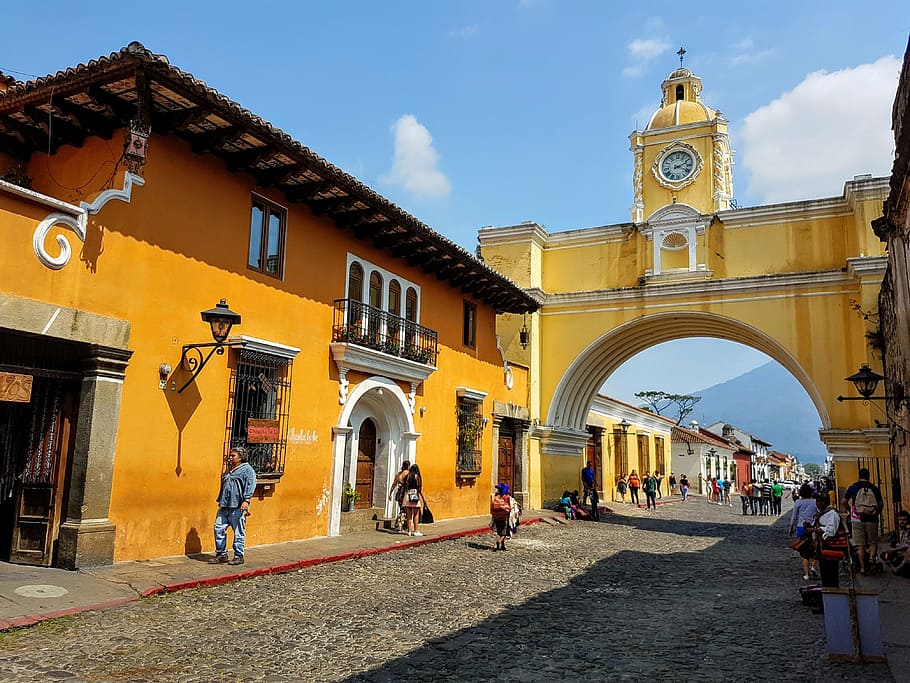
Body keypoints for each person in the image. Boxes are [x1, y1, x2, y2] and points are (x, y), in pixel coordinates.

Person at [209, 446, 257, 566]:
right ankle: (221, 554)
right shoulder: (229, 469)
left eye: (233, 456)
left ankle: (238, 556)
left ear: (240, 457)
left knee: (238, 532)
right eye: (230, 455)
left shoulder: (247, 470)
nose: (230, 458)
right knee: (218, 528)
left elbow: (250, 485)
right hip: (224, 505)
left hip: (238, 506)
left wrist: (246, 500)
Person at [843, 467, 885, 575]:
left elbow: (844, 501)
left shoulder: (853, 487)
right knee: (872, 542)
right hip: (872, 518)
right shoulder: (874, 488)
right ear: (868, 476)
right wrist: (876, 513)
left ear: (859, 476)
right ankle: (872, 560)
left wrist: (851, 511)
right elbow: (880, 504)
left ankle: (862, 568)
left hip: (857, 519)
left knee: (860, 545)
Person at [806, 493, 845, 588]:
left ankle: (833, 595)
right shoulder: (820, 514)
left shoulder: (832, 514)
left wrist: (815, 530)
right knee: (825, 573)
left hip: (831, 548)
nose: (819, 504)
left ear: (827, 502)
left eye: (821, 501)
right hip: (821, 548)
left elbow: (831, 532)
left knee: (831, 573)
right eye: (817, 501)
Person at [788, 483, 819, 580]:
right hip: (813, 528)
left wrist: (791, 528)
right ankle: (813, 566)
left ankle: (806, 574)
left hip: (801, 528)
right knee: (816, 549)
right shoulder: (815, 502)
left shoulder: (798, 502)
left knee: (804, 552)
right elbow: (819, 513)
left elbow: (794, 517)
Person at [881, 510, 910, 577]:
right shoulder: (899, 531)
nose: (902, 522)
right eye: (900, 520)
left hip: (907, 555)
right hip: (900, 553)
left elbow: (907, 546)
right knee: (885, 555)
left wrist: (895, 550)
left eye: (904, 520)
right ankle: (894, 565)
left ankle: (898, 568)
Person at [490, 483, 517, 551]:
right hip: (505, 517)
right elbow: (511, 506)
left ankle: (503, 546)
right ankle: (499, 541)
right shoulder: (507, 497)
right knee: (505, 533)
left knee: (500, 531)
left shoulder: (496, 496)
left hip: (497, 517)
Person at [387, 459, 411, 533]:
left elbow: (394, 484)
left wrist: (390, 493)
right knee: (405, 510)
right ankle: (399, 525)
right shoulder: (408, 473)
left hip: (399, 493)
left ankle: (401, 525)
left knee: (402, 508)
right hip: (405, 493)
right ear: (408, 466)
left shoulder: (398, 474)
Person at [402, 463, 425, 537]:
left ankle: (409, 531)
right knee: (416, 514)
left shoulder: (407, 477)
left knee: (409, 515)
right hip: (414, 495)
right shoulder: (416, 476)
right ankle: (416, 530)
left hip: (407, 495)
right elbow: (419, 487)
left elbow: (404, 486)